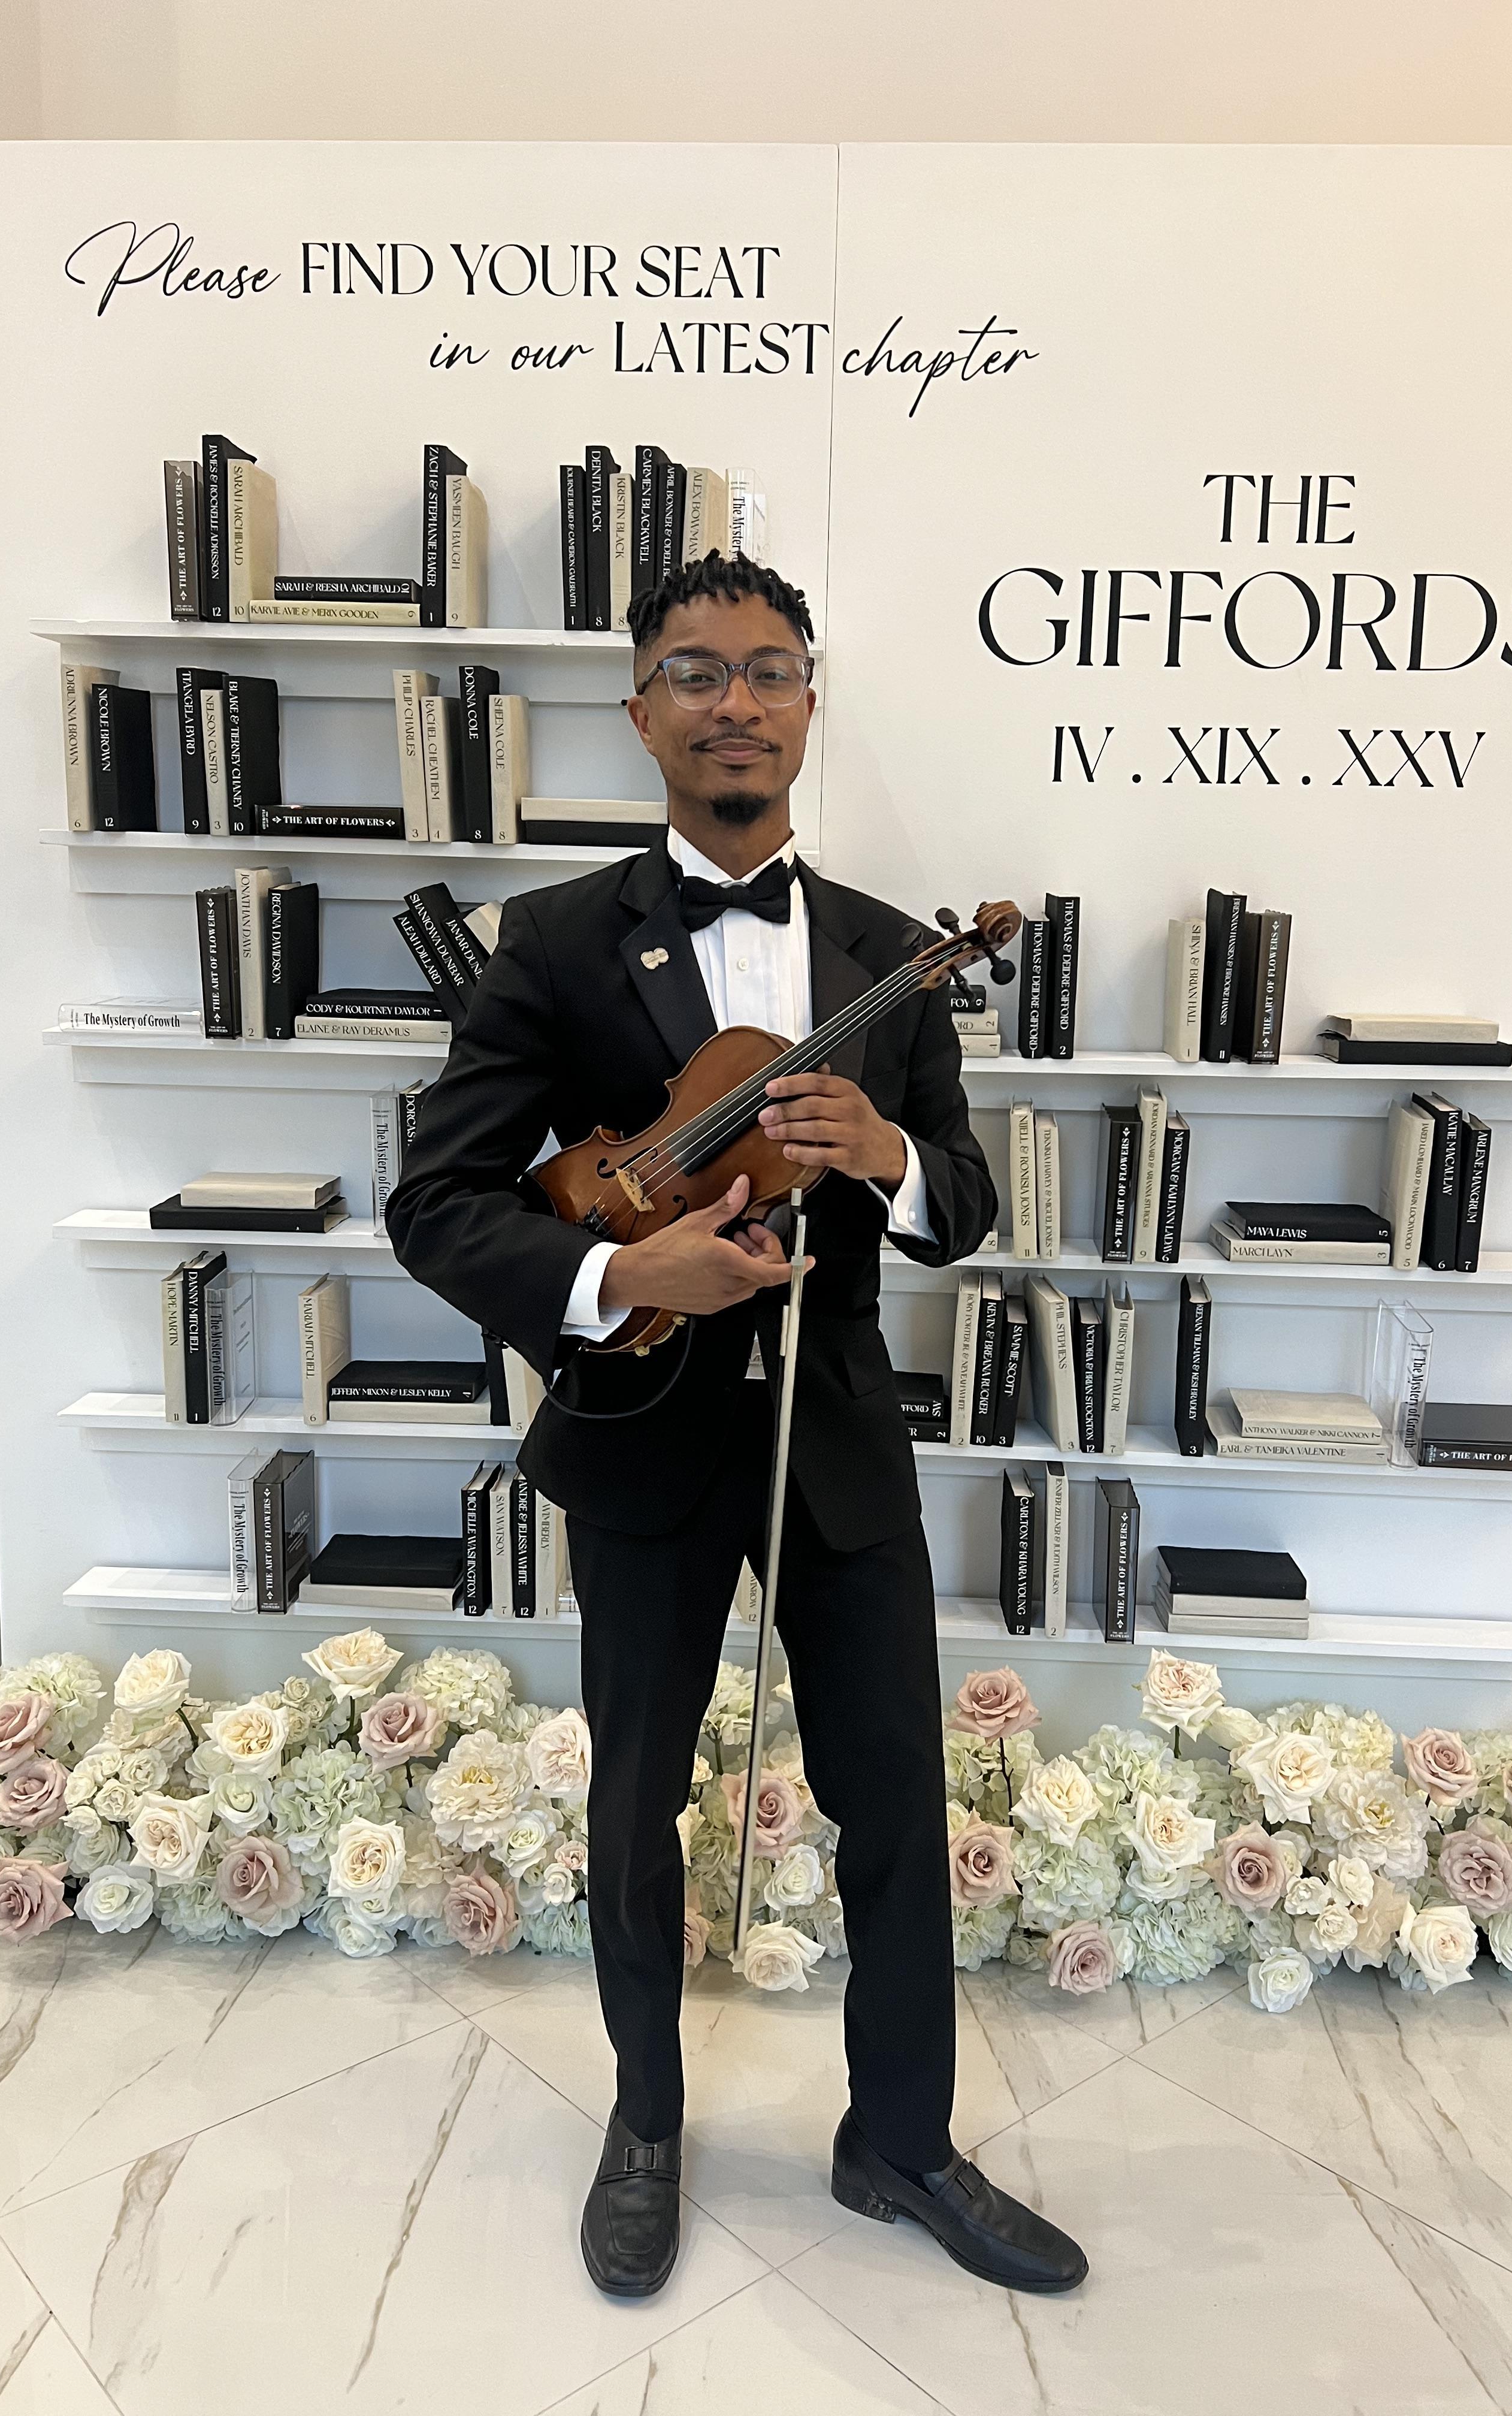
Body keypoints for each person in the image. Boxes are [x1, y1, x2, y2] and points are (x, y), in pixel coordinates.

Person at [385, 551, 1086, 2302]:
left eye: (769, 670)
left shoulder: (892, 956)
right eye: (695, 673)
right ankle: (645, 2126)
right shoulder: (553, 943)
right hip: (641, 1433)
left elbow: (966, 1205)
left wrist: (892, 1158)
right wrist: (625, 1277)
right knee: (636, 1806)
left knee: (893, 1800)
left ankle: (901, 2140)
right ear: (643, 713)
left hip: (835, 1435)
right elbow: (438, 1203)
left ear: (809, 705)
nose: (735, 703)